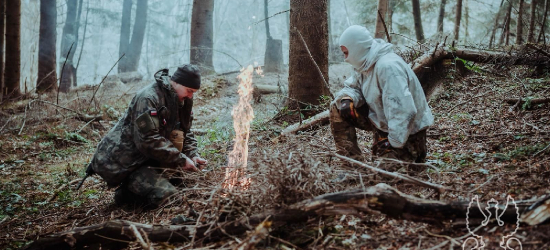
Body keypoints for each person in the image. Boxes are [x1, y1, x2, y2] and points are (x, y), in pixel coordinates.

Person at [88, 64, 208, 208]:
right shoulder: (148, 98)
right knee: (167, 196)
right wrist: (181, 159)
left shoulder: (182, 99)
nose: (190, 96)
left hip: (150, 159)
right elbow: (147, 141)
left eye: (193, 92)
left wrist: (192, 154)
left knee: (185, 183)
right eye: (189, 91)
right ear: (175, 82)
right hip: (128, 163)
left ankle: (145, 183)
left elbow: (185, 130)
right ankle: (125, 194)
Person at [330, 25, 434, 168]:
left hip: (408, 137)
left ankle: (408, 158)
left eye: (346, 53)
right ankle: (351, 166)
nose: (345, 58)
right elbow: (353, 86)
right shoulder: (365, 62)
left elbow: (404, 112)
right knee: (337, 106)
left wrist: (391, 142)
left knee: (381, 177)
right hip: (384, 127)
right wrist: (347, 98)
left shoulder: (388, 67)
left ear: (357, 48)